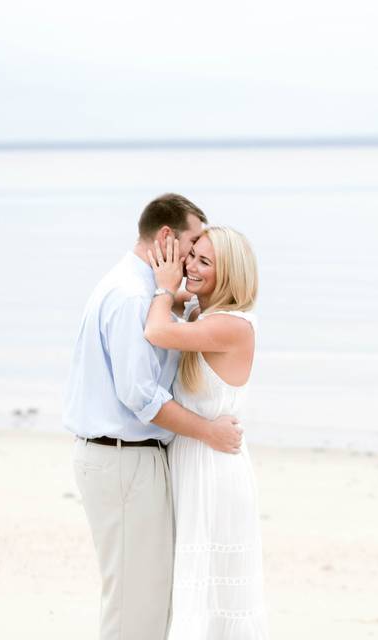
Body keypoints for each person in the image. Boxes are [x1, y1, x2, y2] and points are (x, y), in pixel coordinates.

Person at [64, 194, 244, 640]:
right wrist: (209, 432)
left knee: (148, 600)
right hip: (123, 459)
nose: (194, 258)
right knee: (135, 608)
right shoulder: (132, 297)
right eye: (193, 243)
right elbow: (139, 396)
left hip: (130, 459)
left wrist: (179, 295)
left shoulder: (143, 290)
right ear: (166, 237)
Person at [144, 226, 268, 639]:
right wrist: (180, 291)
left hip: (214, 470)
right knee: (195, 588)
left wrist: (165, 289)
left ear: (229, 273)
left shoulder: (233, 326)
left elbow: (157, 332)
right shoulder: (202, 315)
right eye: (191, 255)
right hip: (194, 459)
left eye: (204, 261)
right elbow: (178, 318)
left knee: (216, 593)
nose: (190, 266)